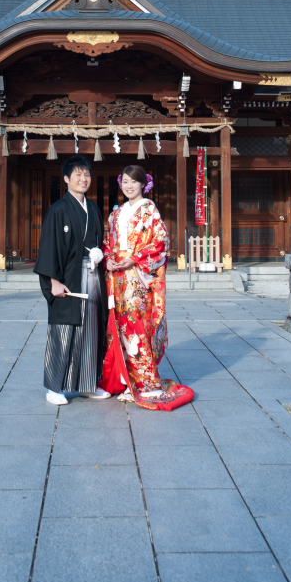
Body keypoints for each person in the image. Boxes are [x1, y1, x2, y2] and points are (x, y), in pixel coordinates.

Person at [101, 165, 194, 411]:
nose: (129, 186)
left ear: (144, 184)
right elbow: (107, 242)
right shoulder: (116, 213)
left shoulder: (149, 209)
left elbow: (160, 241)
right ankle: (124, 380)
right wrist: (107, 258)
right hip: (116, 278)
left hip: (137, 277)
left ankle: (145, 383)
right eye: (125, 181)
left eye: (134, 181)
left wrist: (135, 259)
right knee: (117, 326)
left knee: (135, 326)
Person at [34, 154, 111, 406]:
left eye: (87, 174)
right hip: (67, 278)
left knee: (91, 331)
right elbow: (49, 246)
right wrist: (53, 281)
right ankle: (54, 387)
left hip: (92, 276)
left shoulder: (94, 209)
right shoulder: (58, 209)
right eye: (78, 174)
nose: (83, 179)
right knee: (63, 331)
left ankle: (87, 384)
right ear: (66, 179)